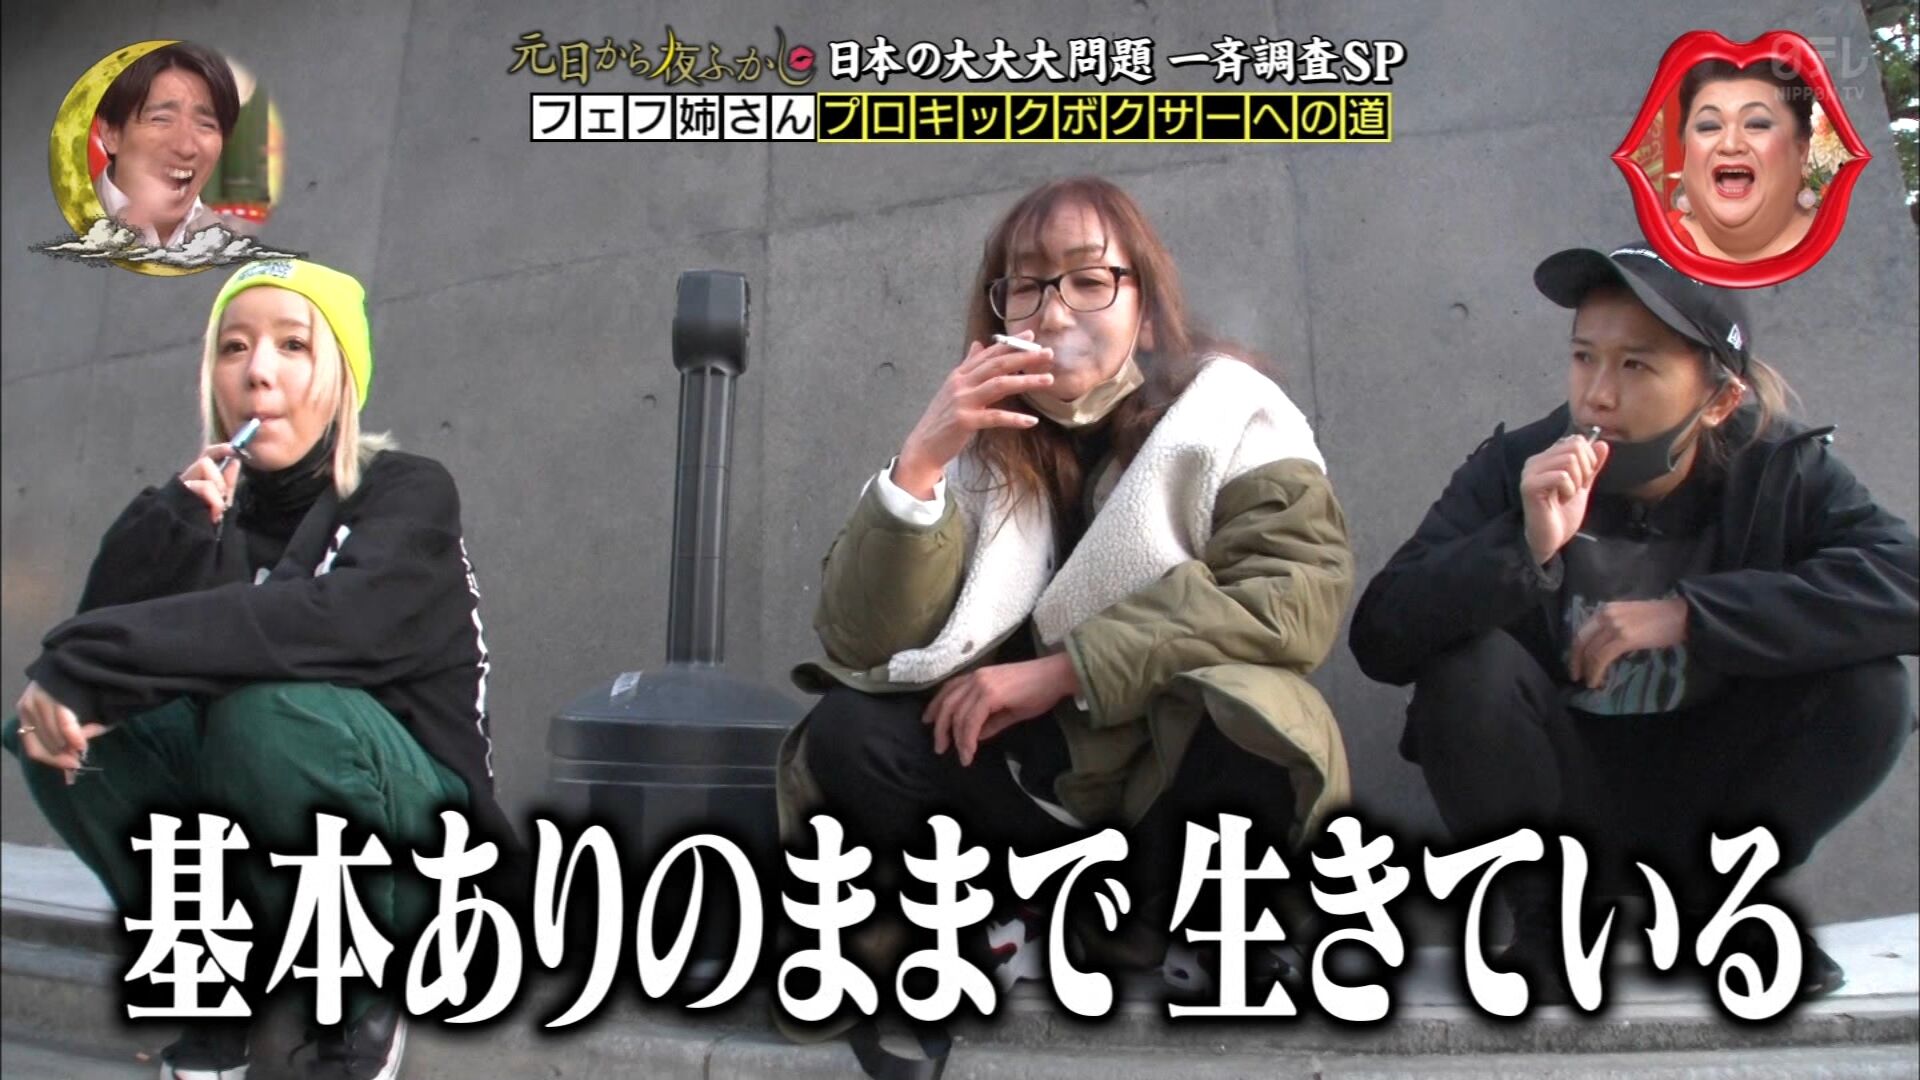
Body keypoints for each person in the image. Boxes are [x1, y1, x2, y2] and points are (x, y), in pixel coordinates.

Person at [777, 176, 1357, 1009]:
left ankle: (1200, 923)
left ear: (1146, 312)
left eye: (1088, 280)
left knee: (1259, 708)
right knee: (850, 728)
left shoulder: (1233, 414)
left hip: (1167, 786)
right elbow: (861, 640)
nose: (1053, 314)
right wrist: (921, 466)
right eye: (1025, 286)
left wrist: (1067, 670)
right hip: (1031, 795)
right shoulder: (976, 449)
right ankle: (1010, 917)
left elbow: (1288, 597)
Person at [1348, 243, 1916, 1004]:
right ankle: (1551, 921)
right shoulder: (1520, 464)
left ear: (1719, 400)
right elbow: (1381, 637)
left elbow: (1905, 582)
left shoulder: (1778, 467)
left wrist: (1694, 614)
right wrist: (1522, 548)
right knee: (1465, 670)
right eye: (1584, 357)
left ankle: (1720, 908)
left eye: (1636, 366)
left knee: (1871, 686)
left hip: (1717, 790)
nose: (1597, 396)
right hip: (1559, 786)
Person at [5, 259, 505, 1080]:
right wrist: (165, 535)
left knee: (266, 713)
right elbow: (99, 663)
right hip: (273, 849)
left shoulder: (406, 493)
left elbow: (330, 626)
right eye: (234, 348)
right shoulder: (207, 512)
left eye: (293, 346)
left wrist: (93, 658)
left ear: (342, 378)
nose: (258, 371)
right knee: (67, 731)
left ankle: (356, 1001)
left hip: (423, 856)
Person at [1667, 58, 1819, 262]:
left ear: (1801, 149)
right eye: (1709, 126)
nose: (1730, 145)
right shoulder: (1648, 253)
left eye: (1756, 124)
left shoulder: (1850, 249)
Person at [91, 41, 238, 248]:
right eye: (161, 119)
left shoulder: (232, 246)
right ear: (111, 133)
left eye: (206, 124)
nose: (186, 148)